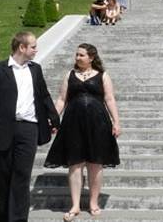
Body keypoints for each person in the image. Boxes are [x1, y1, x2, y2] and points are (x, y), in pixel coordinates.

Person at [0, 32, 60, 222]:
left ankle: (18, 219)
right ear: (21, 47)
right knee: (5, 175)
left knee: (22, 176)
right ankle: (3, 217)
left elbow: (44, 96)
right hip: (4, 129)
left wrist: (54, 119)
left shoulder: (36, 69)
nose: (36, 50)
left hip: (29, 129)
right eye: (33, 46)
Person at [44, 43, 120, 220]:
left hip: (98, 124)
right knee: (75, 164)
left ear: (91, 58)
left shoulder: (103, 75)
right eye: (76, 55)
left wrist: (116, 122)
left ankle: (93, 202)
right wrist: (54, 118)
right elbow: (62, 99)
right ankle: (75, 205)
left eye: (81, 55)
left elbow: (109, 99)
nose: (77, 58)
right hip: (73, 123)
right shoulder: (69, 75)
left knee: (95, 164)